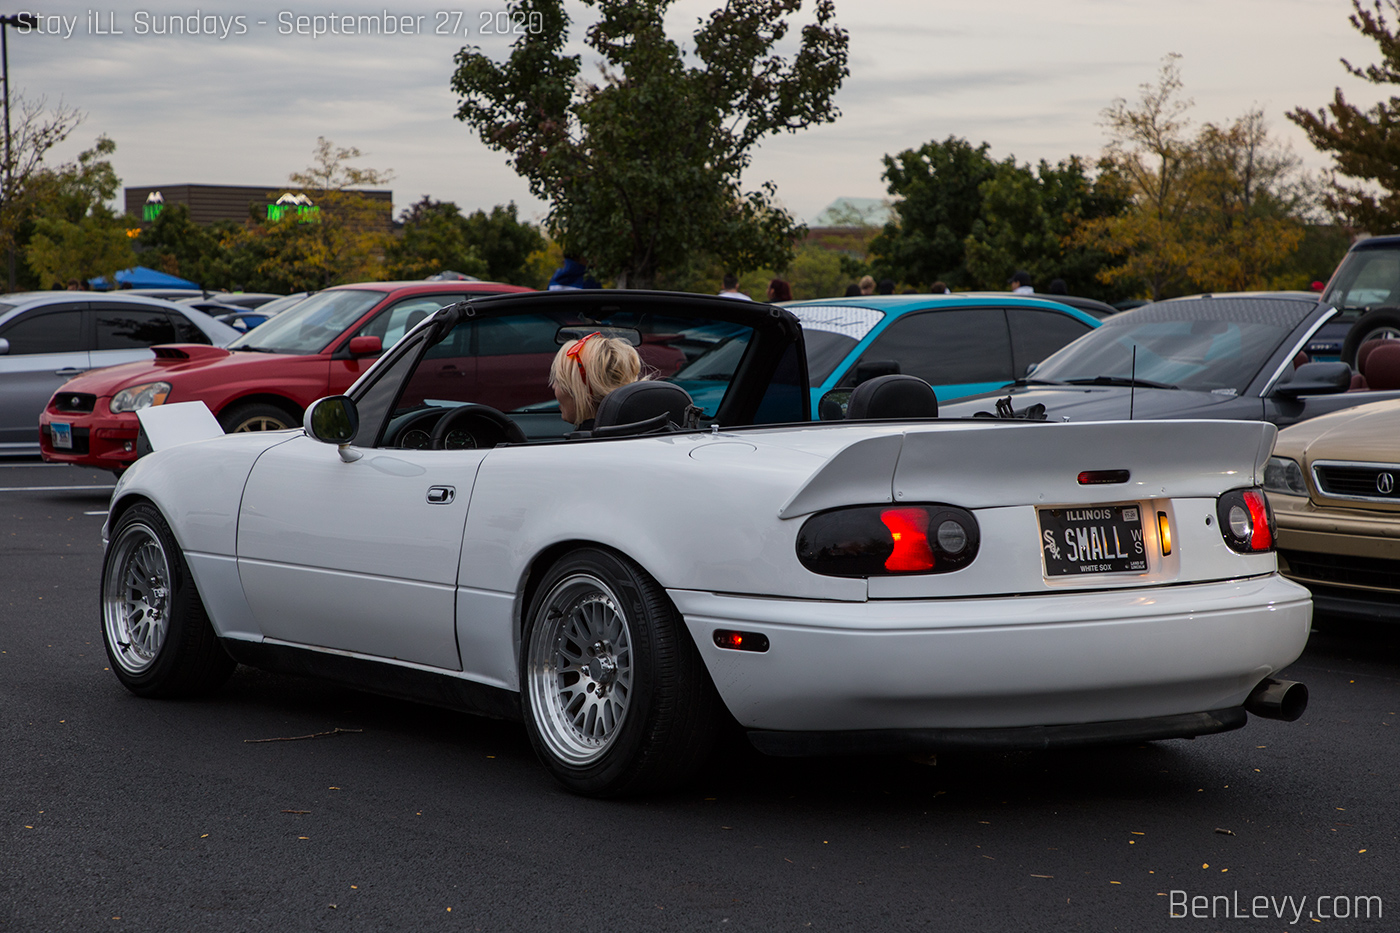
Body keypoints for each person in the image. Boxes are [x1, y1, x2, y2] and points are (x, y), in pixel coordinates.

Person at [549, 332, 642, 429]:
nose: (553, 386)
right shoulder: (644, 432)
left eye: (559, 381)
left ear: (582, 390)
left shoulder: (584, 442)